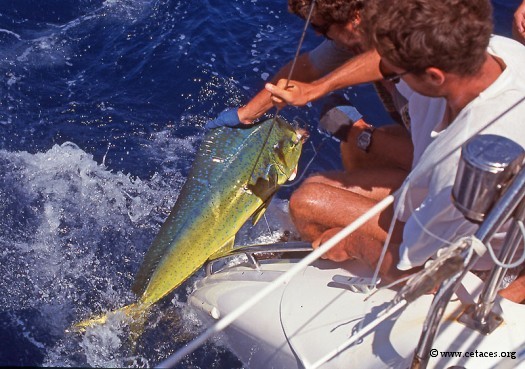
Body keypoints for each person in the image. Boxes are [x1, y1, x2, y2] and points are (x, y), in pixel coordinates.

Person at [265, 0, 525, 302]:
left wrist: (353, 243)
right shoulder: (500, 49)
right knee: (317, 188)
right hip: (448, 202)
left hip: (469, 242)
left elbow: (417, 274)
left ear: (433, 75)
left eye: (394, 72)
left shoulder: (458, 162)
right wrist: (317, 87)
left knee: (308, 203)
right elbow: (380, 61)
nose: (384, 73)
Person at [206, 0, 413, 176]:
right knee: (352, 149)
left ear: (355, 18)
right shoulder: (352, 39)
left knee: (307, 201)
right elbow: (305, 67)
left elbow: (387, 54)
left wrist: (357, 133)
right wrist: (246, 114)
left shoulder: (419, 46)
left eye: (322, 28)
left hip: (437, 166)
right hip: (418, 139)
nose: (316, 34)